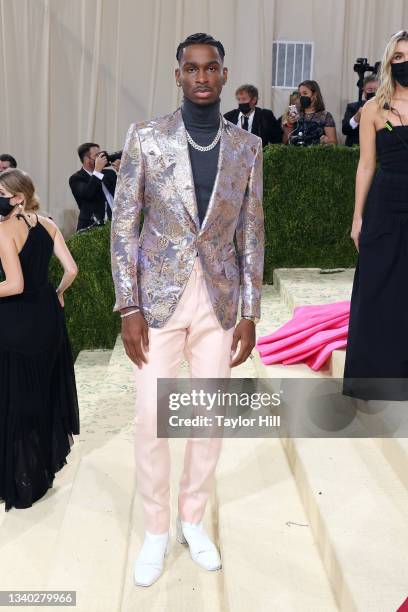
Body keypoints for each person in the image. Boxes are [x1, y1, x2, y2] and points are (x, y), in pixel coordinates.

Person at [111, 32, 264, 587]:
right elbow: (124, 227)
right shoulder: (146, 139)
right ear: (178, 75)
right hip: (157, 302)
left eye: (211, 68)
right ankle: (156, 527)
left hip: (220, 304)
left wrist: (251, 310)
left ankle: (191, 520)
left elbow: (251, 232)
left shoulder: (247, 148)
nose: (202, 76)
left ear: (224, 75)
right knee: (153, 420)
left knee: (208, 419)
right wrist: (127, 305)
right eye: (192, 68)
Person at [0, 168, 79, 510]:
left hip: (16, 321)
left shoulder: (3, 230)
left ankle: (20, 479)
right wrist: (57, 293)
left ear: (17, 198)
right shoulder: (47, 223)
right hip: (47, 317)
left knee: (14, 400)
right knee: (42, 394)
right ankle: (40, 472)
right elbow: (72, 270)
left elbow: (14, 285)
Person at [344, 30, 408, 399]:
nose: (403, 63)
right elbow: (366, 166)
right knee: (377, 287)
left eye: (407, 56)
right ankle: (374, 378)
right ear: (388, 63)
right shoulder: (373, 108)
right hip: (384, 204)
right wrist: (358, 218)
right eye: (397, 57)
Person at [69, 142, 120, 231]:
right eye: (97, 156)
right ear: (86, 159)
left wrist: (121, 173)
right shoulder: (76, 178)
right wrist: (97, 171)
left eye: (101, 155)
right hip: (91, 229)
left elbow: (124, 194)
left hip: (115, 225)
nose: (102, 158)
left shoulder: (109, 174)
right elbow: (88, 194)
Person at [283, 80, 337, 146]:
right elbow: (285, 142)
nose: (302, 97)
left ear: (315, 94)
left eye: (305, 93)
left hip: (316, 154)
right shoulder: (295, 114)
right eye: (300, 94)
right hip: (295, 154)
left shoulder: (325, 116)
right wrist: (289, 124)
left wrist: (326, 141)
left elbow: (333, 143)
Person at [342, 75, 379, 146]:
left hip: (379, 150)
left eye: (376, 90)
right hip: (356, 149)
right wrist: (356, 118)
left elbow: (391, 130)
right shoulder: (353, 107)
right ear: (363, 90)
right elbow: (345, 130)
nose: (374, 93)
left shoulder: (386, 108)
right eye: (370, 90)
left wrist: (384, 119)